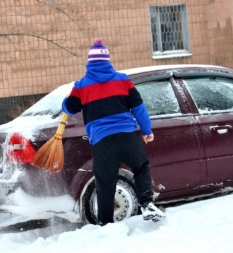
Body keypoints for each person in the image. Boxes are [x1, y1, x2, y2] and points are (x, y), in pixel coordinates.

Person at [62, 39, 165, 225]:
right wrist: (147, 130)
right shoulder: (124, 80)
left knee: (105, 183)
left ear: (89, 63)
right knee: (141, 167)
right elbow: (138, 108)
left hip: (103, 141)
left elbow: (69, 108)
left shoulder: (81, 86)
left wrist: (67, 99)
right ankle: (147, 203)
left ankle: (105, 223)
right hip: (128, 135)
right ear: (108, 61)